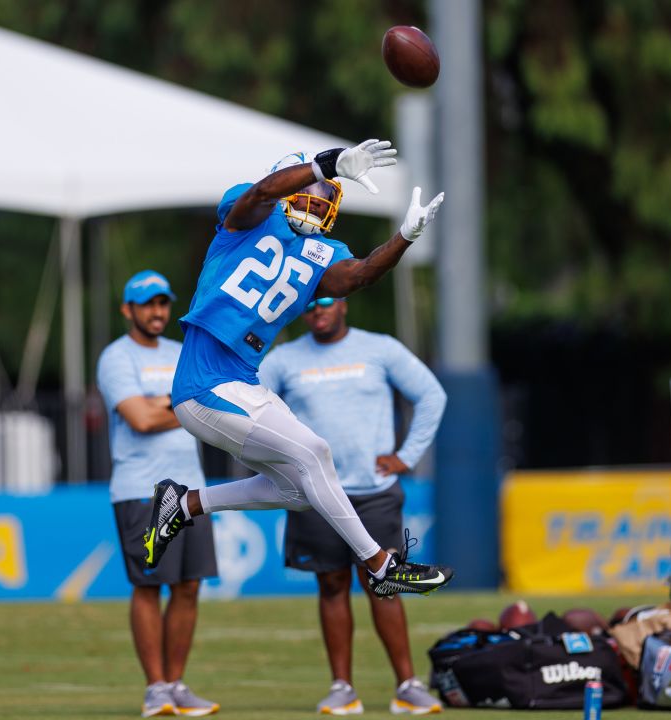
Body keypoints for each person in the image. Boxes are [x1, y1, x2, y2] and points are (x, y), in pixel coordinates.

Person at [143, 138, 453, 602]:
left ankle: (184, 504)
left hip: (240, 383)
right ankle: (380, 564)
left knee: (301, 490)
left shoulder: (322, 252)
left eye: (329, 193)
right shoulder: (249, 215)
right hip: (203, 383)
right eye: (316, 186)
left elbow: (361, 273)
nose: (322, 197)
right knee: (315, 453)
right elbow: (261, 193)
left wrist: (403, 238)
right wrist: (326, 165)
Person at [259, 296, 447, 715]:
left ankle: (408, 685)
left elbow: (432, 395)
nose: (318, 310)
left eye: (325, 301)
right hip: (316, 493)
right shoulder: (283, 359)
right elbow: (251, 412)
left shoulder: (380, 348)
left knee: (384, 584)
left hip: (374, 492)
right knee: (331, 585)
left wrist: (408, 455)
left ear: (343, 303)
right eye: (309, 305)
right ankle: (342, 687)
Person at [97, 270, 220, 717]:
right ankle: (154, 689)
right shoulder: (116, 357)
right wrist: (187, 406)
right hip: (141, 491)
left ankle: (176, 684)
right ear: (127, 310)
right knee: (149, 587)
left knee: (188, 587)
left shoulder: (182, 351)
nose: (156, 312)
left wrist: (167, 404)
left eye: (162, 303)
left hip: (191, 490)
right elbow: (141, 420)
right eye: (147, 304)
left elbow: (209, 402)